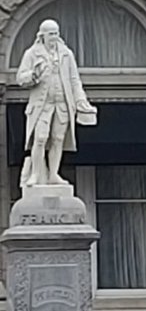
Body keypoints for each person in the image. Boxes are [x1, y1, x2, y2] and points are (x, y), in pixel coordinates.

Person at [14, 19, 97, 190]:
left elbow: (74, 80)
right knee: (40, 138)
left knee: (58, 139)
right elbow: (20, 78)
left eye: (56, 33)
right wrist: (33, 75)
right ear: (42, 35)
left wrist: (81, 100)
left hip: (62, 104)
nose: (54, 37)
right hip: (42, 105)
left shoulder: (66, 54)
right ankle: (36, 174)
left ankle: (53, 174)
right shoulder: (32, 53)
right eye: (51, 34)